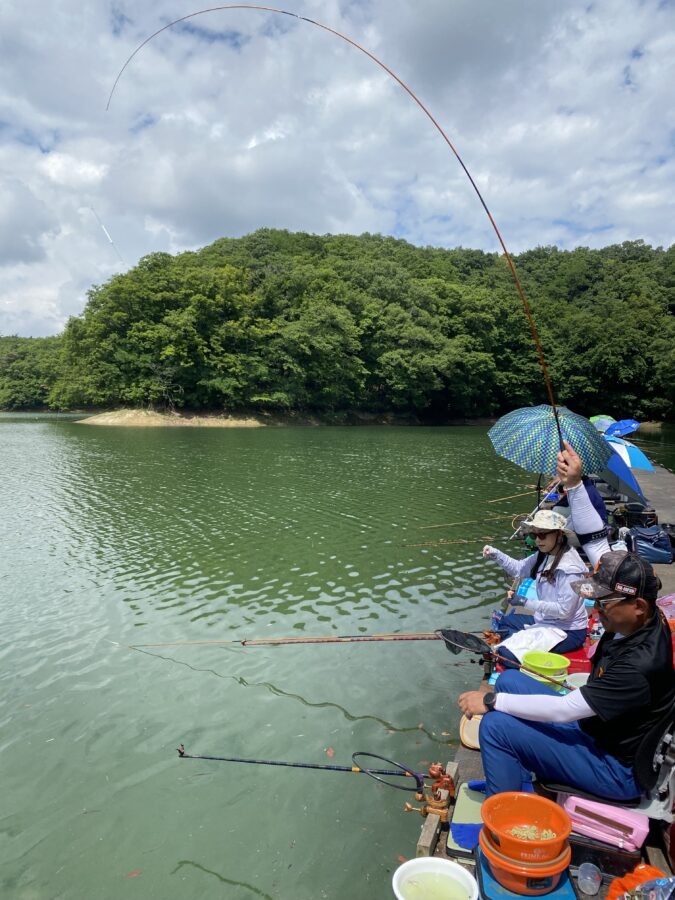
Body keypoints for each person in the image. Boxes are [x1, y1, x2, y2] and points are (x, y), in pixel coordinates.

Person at [458, 442, 675, 800]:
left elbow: (563, 710)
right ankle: (514, 773)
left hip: (615, 769)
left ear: (637, 606)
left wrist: (491, 702)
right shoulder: (640, 616)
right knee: (511, 679)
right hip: (597, 730)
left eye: (604, 602)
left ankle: (506, 817)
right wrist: (573, 485)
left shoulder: (639, 665)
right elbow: (594, 542)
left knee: (496, 724)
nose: (597, 610)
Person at [482, 509, 588, 662]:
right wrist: (495, 554)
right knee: (504, 621)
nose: (538, 540)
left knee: (506, 655)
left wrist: (525, 602)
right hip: (546, 620)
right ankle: (518, 639)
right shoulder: (544, 553)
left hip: (567, 631)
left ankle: (520, 651)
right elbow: (518, 569)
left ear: (559, 535)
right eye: (534, 535)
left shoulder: (570, 569)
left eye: (543, 534)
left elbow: (564, 611)